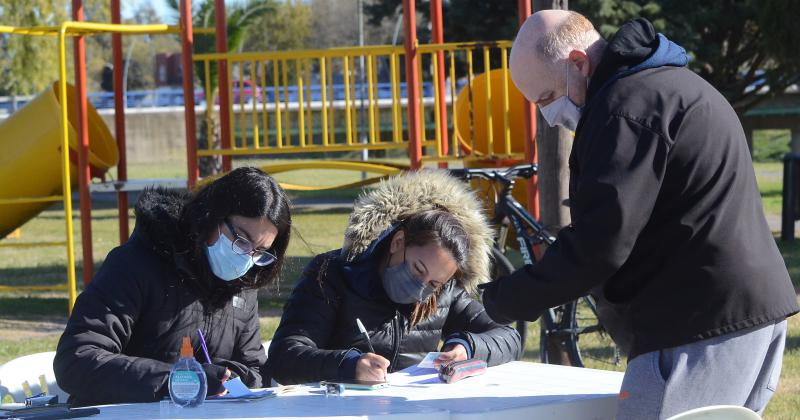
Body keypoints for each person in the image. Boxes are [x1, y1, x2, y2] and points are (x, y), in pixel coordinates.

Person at [479, 10, 800, 418]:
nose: (550, 116)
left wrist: (500, 301)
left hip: (696, 325)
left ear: (579, 62)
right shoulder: (668, 86)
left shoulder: (624, 107)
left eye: (546, 98)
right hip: (746, 311)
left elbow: (599, 244)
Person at [54, 167, 292, 405]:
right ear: (212, 216)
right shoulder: (135, 265)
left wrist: (227, 377)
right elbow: (77, 361)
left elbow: (256, 370)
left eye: (259, 251)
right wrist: (181, 380)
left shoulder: (243, 284)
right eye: (241, 239)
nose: (246, 257)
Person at [267, 170, 521, 384]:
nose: (422, 287)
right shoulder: (332, 273)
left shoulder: (446, 291)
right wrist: (349, 365)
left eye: (434, 283)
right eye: (418, 269)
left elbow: (509, 337)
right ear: (398, 242)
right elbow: (284, 357)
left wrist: (467, 348)